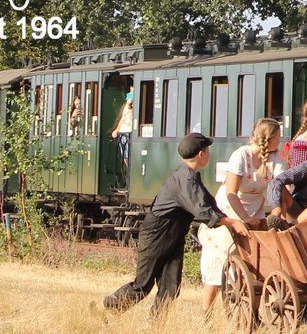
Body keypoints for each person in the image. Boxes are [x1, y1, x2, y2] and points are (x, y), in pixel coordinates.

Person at [100, 133, 248, 317]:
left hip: (173, 234)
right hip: (157, 233)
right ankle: (105, 309)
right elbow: (202, 211)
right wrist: (231, 222)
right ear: (201, 154)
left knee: (171, 286)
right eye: (207, 150)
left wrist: (230, 220)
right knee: (143, 285)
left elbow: (208, 204)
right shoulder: (186, 179)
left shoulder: (191, 176)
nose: (209, 153)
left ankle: (157, 324)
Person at [197, 118, 284, 312]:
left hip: (256, 211)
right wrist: (243, 219)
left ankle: (252, 312)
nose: (280, 140)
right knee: (220, 259)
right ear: (270, 138)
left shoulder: (275, 159)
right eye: (278, 136)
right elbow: (231, 193)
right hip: (228, 211)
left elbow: (280, 188)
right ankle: (205, 312)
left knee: (257, 261)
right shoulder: (241, 156)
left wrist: (276, 213)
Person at [110, 93, 136, 170]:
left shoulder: (134, 108)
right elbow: (123, 119)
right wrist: (117, 130)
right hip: (123, 134)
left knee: (128, 157)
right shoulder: (126, 108)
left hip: (128, 134)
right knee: (125, 158)